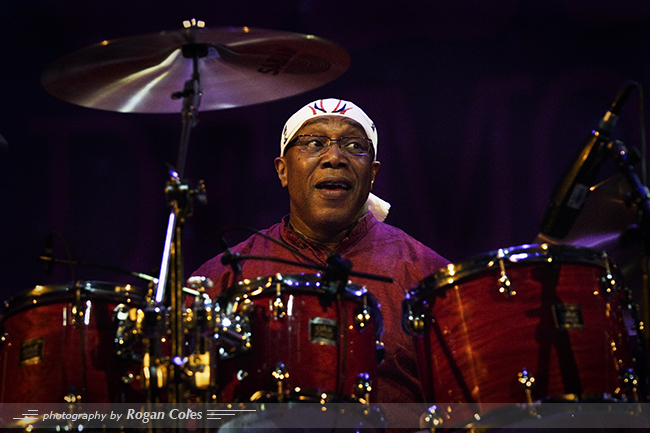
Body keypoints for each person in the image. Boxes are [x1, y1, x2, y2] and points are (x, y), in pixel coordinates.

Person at [191, 98, 449, 429]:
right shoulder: (220, 279)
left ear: (372, 174)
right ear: (283, 170)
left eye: (354, 146)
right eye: (314, 143)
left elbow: (465, 408)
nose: (334, 158)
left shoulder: (428, 277)